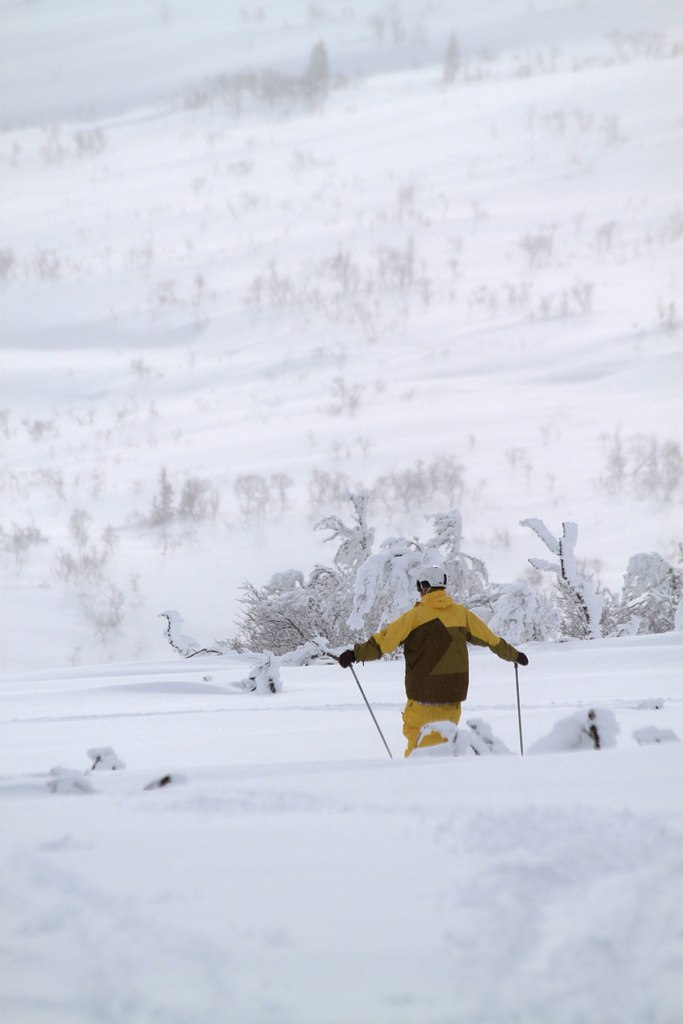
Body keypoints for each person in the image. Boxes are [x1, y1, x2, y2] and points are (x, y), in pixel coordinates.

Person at [338, 564, 528, 757]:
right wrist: (514, 655)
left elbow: (383, 643)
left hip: (424, 696)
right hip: (453, 698)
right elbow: (491, 640)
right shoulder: (461, 614)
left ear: (425, 586)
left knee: (422, 751)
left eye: (420, 587)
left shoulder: (415, 616)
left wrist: (355, 654)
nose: (419, 592)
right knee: (447, 747)